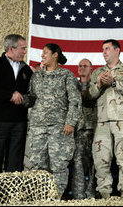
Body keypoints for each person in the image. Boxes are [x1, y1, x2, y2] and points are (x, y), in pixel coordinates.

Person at [23, 43, 81, 199]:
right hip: (38, 128)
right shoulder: (36, 76)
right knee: (38, 166)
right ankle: (40, 198)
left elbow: (75, 100)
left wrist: (70, 122)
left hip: (59, 127)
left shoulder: (66, 75)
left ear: (55, 55)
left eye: (45, 52)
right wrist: (17, 97)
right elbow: (31, 98)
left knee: (59, 165)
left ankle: (55, 198)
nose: (42, 55)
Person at [89, 39, 123, 199]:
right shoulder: (98, 72)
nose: (104, 52)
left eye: (107, 49)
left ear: (117, 51)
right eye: (103, 49)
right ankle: (104, 193)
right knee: (100, 159)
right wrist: (98, 85)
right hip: (102, 122)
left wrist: (114, 83)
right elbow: (90, 94)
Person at [0, 34, 33, 174]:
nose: (25, 51)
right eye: (22, 48)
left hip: (19, 123)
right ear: (11, 48)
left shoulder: (26, 69)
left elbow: (31, 94)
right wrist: (9, 95)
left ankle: (12, 195)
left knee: (15, 164)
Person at [71, 58, 98, 199]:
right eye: (80, 66)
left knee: (95, 162)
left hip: (95, 128)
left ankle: (92, 192)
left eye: (85, 66)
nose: (82, 68)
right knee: (78, 161)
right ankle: (78, 194)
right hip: (79, 129)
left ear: (91, 68)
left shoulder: (96, 85)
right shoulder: (73, 85)